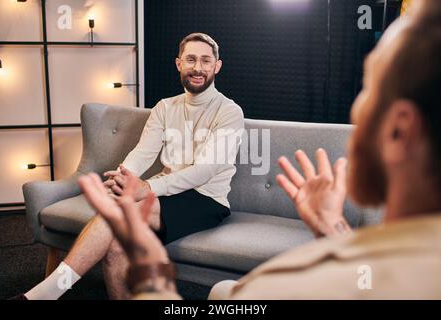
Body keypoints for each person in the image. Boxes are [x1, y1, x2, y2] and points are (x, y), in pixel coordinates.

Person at [78, 0, 441, 299]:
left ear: (400, 130)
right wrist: (336, 232)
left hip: (201, 201)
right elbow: (372, 279)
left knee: (221, 292)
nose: (355, 113)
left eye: (368, 91)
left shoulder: (271, 289)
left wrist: (157, 278)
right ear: (179, 63)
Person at [17, 33, 244, 300]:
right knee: (115, 248)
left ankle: (45, 293)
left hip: (205, 199)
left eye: (206, 61)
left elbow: (206, 169)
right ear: (178, 64)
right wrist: (124, 175)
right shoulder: (164, 107)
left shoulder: (229, 112)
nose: (198, 67)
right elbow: (143, 152)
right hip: (165, 194)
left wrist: (147, 187)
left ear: (217, 66)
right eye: (191, 59)